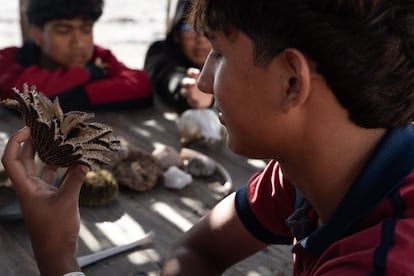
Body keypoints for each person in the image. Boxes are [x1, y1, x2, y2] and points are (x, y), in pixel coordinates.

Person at [3, 0, 414, 275]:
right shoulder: (303, 177)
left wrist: (58, 255)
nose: (203, 78)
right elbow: (194, 252)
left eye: (218, 53)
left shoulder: (387, 260)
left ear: (292, 82)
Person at [0, 0, 153, 112]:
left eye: (86, 30)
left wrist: (74, 94)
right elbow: (20, 94)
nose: (78, 43)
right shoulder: (8, 59)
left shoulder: (99, 56)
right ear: (37, 35)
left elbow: (140, 84)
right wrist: (89, 73)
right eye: (63, 31)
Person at [144, 0, 213, 111]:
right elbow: (167, 76)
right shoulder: (160, 51)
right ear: (176, 34)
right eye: (189, 28)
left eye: (209, 28)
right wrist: (184, 88)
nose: (200, 38)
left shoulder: (231, 60)